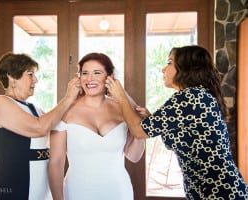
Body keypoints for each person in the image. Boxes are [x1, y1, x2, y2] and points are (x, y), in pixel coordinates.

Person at [105, 45, 248, 199]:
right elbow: (182, 133)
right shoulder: (197, 96)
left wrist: (120, 97)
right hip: (215, 191)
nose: (163, 69)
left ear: (186, 68)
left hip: (219, 193)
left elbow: (139, 131)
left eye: (169, 62)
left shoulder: (189, 98)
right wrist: (151, 119)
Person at [48, 52, 147, 200]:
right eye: (85, 73)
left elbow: (134, 156)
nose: (90, 79)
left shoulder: (122, 109)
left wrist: (142, 127)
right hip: (77, 192)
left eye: (97, 73)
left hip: (119, 191)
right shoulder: (65, 111)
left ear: (110, 77)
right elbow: (56, 162)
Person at [0, 52, 81, 200]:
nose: (35, 80)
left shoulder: (35, 109)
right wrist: (69, 97)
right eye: (30, 74)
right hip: (13, 188)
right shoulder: (0, 103)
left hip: (41, 190)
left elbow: (58, 124)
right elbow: (39, 128)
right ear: (12, 77)